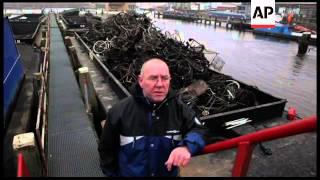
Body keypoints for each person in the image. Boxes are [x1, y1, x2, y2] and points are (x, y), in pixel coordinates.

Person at [98, 57, 209, 177]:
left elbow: (200, 130)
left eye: (165, 78)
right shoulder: (119, 112)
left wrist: (187, 147)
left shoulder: (179, 110)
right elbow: (107, 151)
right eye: (153, 78)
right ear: (141, 81)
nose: (160, 84)